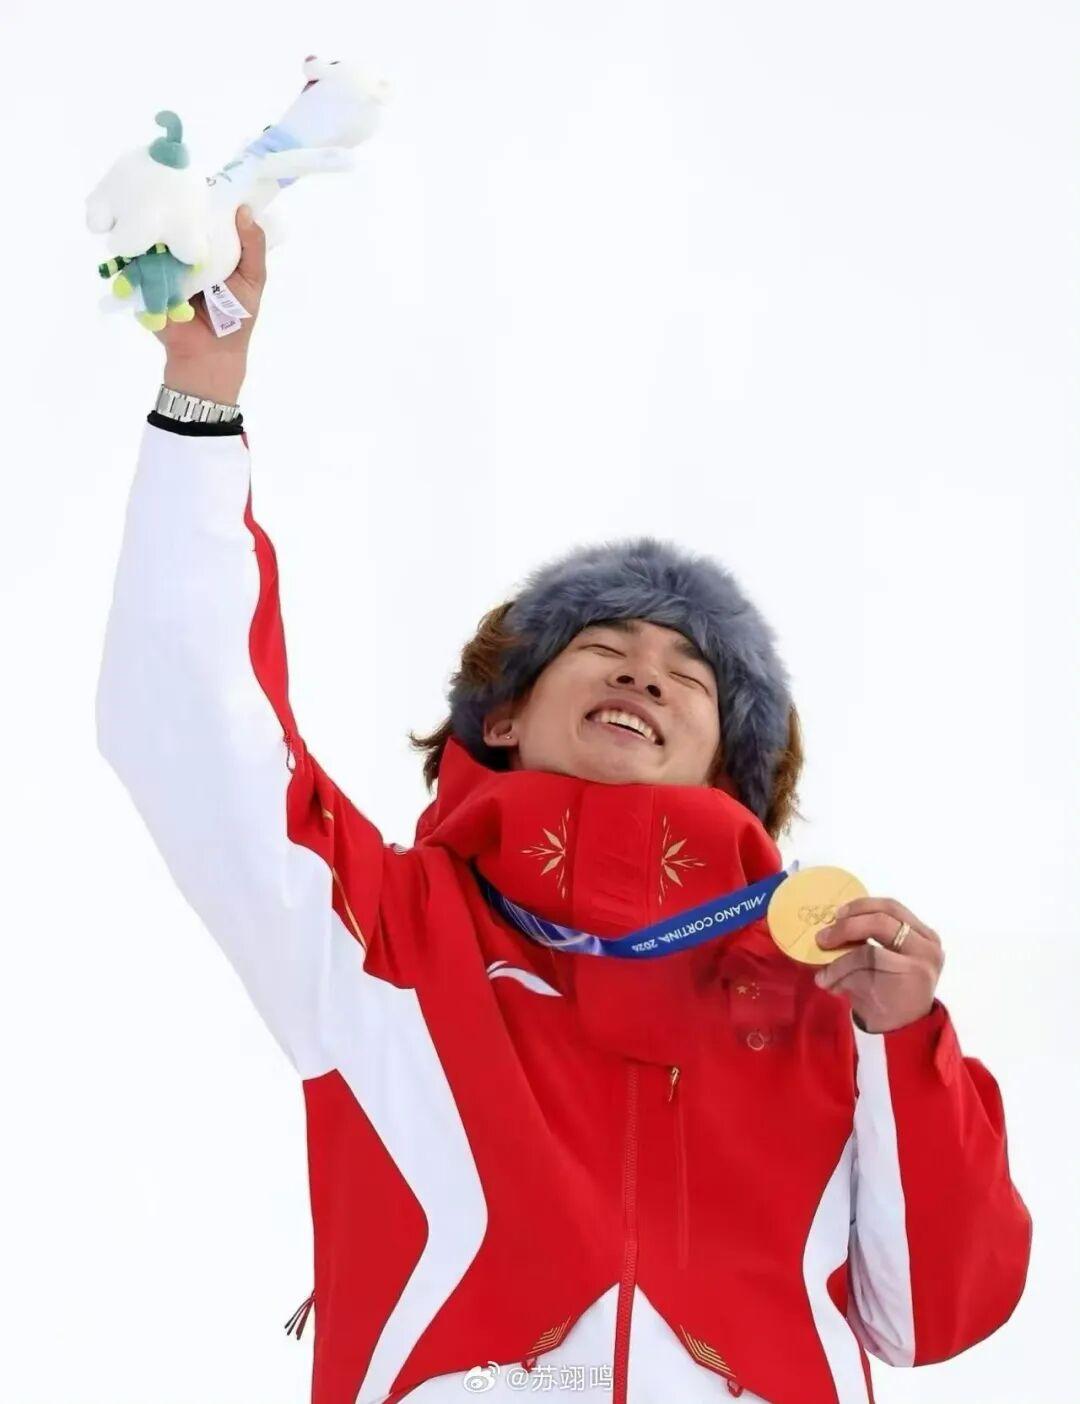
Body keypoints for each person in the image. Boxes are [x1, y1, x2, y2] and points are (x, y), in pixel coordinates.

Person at [95, 206, 1032, 1404]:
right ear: (501, 718)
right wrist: (201, 396)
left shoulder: (827, 993)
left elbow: (935, 1314)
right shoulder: (387, 933)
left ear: (728, 778)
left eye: (690, 677)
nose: (646, 675)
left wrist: (902, 1042)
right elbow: (190, 727)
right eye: (603, 647)